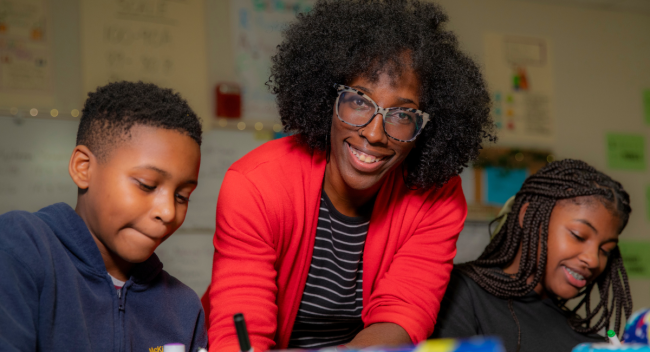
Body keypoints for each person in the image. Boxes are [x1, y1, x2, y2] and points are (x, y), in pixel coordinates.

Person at [202, 0, 494, 350]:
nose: (374, 134)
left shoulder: (437, 198)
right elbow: (241, 333)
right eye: (358, 101)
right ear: (328, 100)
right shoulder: (257, 184)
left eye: (402, 115)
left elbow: (402, 315)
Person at [0, 81, 208, 351]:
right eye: (146, 184)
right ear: (83, 168)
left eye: (182, 196)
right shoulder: (21, 249)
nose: (168, 212)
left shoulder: (185, 307)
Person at [432, 159, 634, 352]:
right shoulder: (459, 293)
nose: (593, 260)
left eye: (605, 250)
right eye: (578, 236)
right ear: (529, 218)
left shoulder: (588, 342)